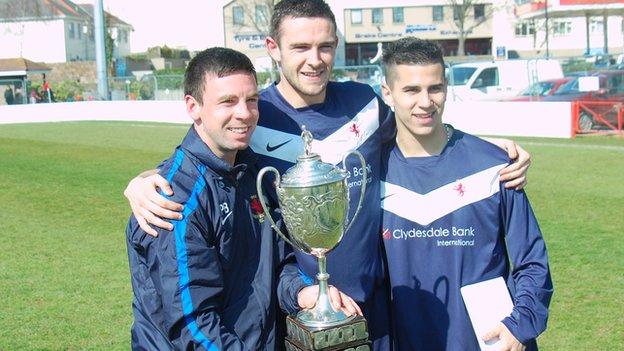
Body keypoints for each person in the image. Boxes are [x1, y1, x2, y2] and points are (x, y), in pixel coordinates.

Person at [123, 1, 531, 349]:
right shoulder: (254, 115)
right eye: (300, 46)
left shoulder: (365, 103)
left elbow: (418, 131)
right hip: (294, 312)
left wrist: (483, 148)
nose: (314, 59)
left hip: (375, 304)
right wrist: (145, 181)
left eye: (325, 46)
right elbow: (204, 160)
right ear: (273, 49)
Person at [125, 47, 359, 350]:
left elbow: (277, 264)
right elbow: (192, 326)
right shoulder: (172, 200)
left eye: (252, 100)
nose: (245, 113)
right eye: (228, 102)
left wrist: (302, 292)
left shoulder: (254, 174)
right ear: (193, 107)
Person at [379, 37, 553, 350]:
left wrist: (520, 323)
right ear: (388, 93)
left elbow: (532, 259)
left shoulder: (494, 166)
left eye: (434, 88)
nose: (425, 101)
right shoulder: (372, 174)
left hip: (489, 342)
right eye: (411, 90)